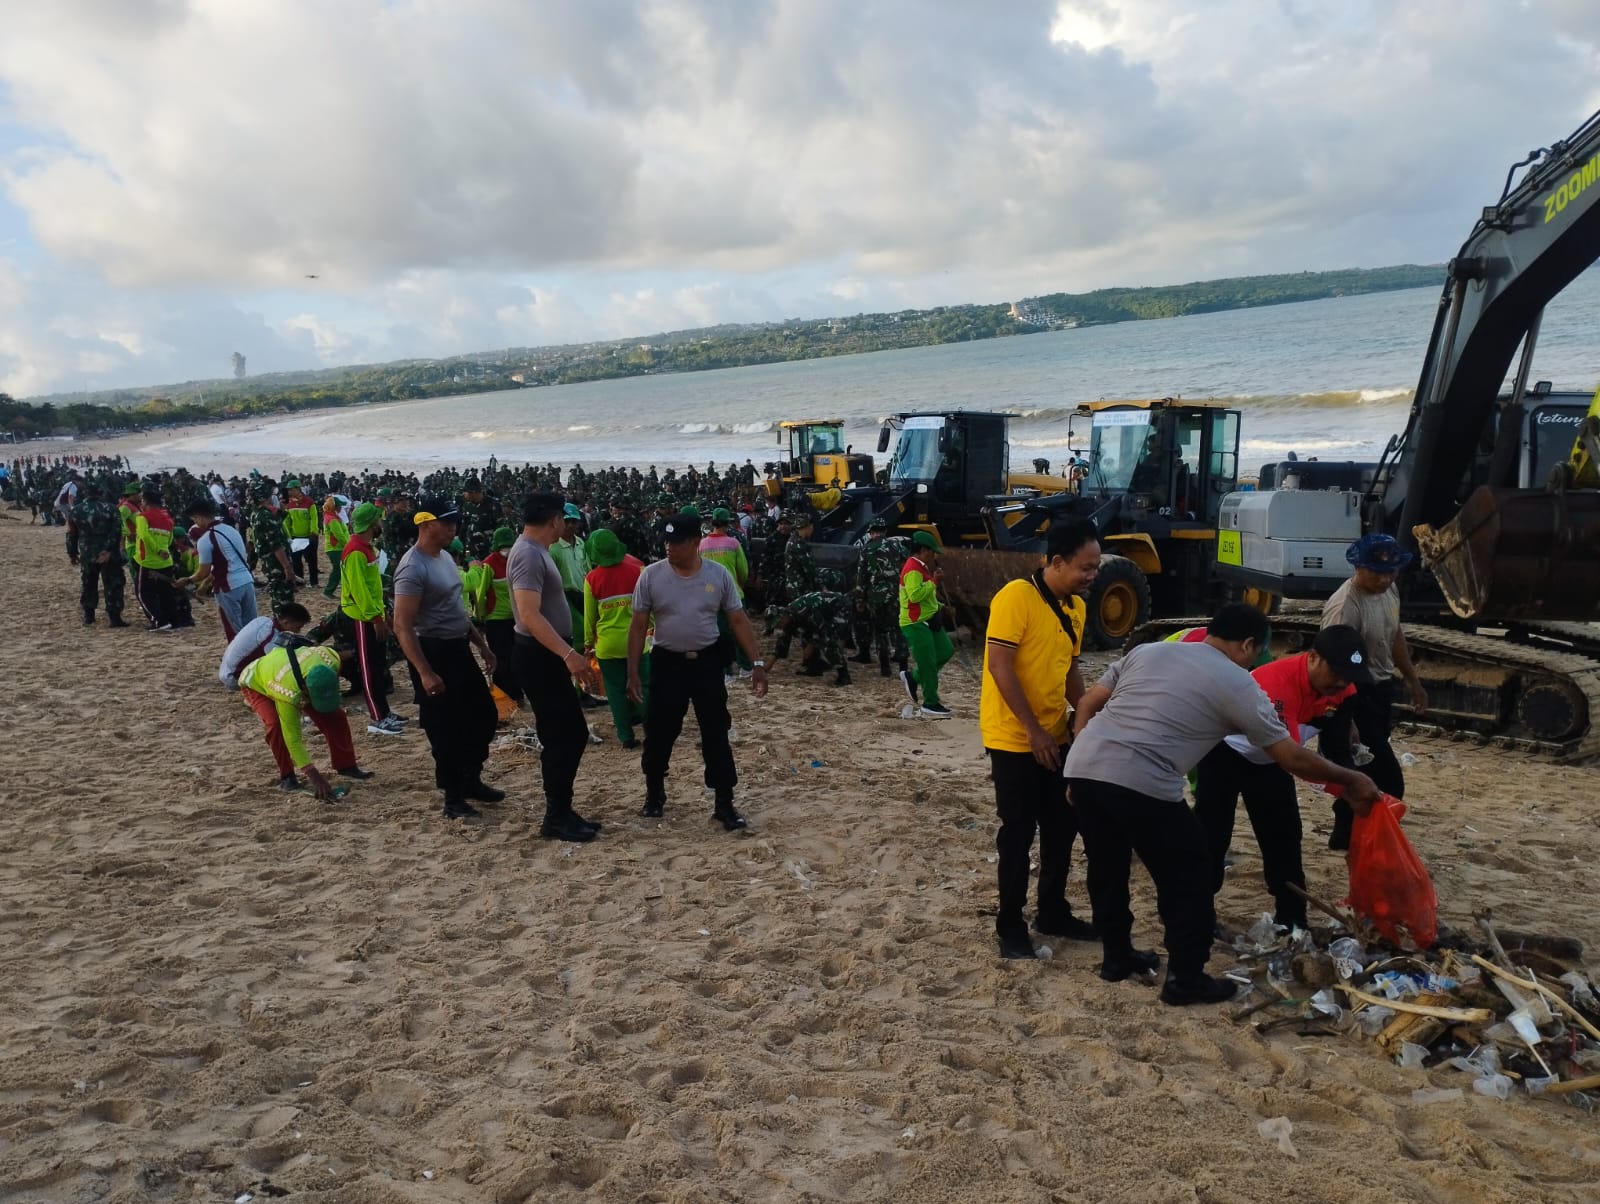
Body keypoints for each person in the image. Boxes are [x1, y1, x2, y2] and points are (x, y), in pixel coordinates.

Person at [1064, 603, 1381, 1006]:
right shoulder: (1237, 681)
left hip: (1086, 767)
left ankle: (1116, 958)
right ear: (1248, 644)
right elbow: (1288, 757)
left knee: (1106, 867)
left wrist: (1076, 767)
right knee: (1191, 871)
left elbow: (1089, 702)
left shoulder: (1149, 651)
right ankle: (1186, 978)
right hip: (1142, 779)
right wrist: (1351, 778)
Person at [1193, 626, 1368, 931]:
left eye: (1349, 676)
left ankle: (1291, 917)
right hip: (1227, 751)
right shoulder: (1277, 683)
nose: (1341, 682)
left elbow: (1336, 749)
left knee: (1284, 835)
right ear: (1312, 658)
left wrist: (1349, 788)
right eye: (1336, 671)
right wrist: (1347, 785)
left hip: (1274, 757)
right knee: (1213, 832)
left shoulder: (1345, 692)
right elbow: (1291, 758)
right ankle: (1197, 913)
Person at [981, 520, 1101, 960]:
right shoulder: (1016, 597)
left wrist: (1085, 709)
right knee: (1017, 831)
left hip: (1055, 733)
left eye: (1096, 569)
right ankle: (1010, 923)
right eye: (1085, 568)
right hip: (1013, 737)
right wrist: (1032, 731)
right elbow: (999, 666)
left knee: (1061, 826)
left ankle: (1052, 911)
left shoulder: (1076, 608)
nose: (1091, 576)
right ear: (1056, 562)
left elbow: (1069, 668)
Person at [627, 512, 768, 830]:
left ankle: (724, 803)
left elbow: (738, 620)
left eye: (676, 542)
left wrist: (757, 663)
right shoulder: (651, 576)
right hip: (666, 664)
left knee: (716, 733)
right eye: (666, 541)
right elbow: (637, 628)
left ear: (695, 543)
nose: (669, 548)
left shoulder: (717, 576)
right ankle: (654, 795)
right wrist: (633, 671)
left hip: (706, 664)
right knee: (659, 733)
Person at [392, 496, 502, 821]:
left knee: (484, 715)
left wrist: (482, 645)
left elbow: (455, 608)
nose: (453, 528)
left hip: (458, 647)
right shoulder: (412, 567)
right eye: (447, 522)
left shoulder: (444, 557)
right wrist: (424, 671)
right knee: (446, 729)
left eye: (455, 522)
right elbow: (402, 625)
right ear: (426, 524)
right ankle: (453, 799)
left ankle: (470, 779)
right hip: (432, 651)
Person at [1318, 533, 1428, 849]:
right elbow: (1333, 665)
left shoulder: (1389, 590)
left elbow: (1395, 636)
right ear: (1358, 568)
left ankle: (1348, 834)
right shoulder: (1345, 607)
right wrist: (1346, 713)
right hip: (1353, 692)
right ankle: (1365, 833)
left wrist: (1412, 680)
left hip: (1380, 686)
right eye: (1378, 572)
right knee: (1386, 775)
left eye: (1391, 572)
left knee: (1364, 764)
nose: (1386, 579)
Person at [510, 492, 603, 842]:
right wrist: (568, 654)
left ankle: (562, 810)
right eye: (562, 518)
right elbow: (530, 615)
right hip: (539, 656)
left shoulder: (537, 551)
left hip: (545, 654)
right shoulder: (528, 555)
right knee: (564, 736)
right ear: (554, 520)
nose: (564, 524)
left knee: (567, 734)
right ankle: (556, 816)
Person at [239, 641, 372, 798]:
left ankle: (347, 766)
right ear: (305, 690)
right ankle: (287, 777)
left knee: (336, 716)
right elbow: (293, 739)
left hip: (292, 675)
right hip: (256, 682)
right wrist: (314, 776)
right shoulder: (287, 692)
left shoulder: (330, 659)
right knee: (276, 726)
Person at [583, 527, 649, 748]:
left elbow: (589, 618)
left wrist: (587, 643)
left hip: (608, 645)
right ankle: (653, 730)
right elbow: (651, 607)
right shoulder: (638, 571)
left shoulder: (591, 579)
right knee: (644, 686)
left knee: (616, 691)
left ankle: (626, 737)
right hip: (638, 642)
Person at [340, 501, 401, 735]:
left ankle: (385, 712)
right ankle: (377, 718)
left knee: (377, 666)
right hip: (361, 617)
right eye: (378, 519)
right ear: (370, 523)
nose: (381, 522)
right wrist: (375, 618)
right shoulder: (355, 550)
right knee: (368, 668)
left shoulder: (366, 547)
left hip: (372, 614)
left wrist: (382, 613)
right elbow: (359, 590)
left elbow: (372, 586)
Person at [185, 497, 257, 642]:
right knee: (251, 627)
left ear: (199, 517)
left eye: (194, 520)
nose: (195, 523)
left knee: (234, 630)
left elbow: (203, 572)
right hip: (247, 582)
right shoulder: (231, 531)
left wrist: (187, 580)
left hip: (228, 587)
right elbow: (231, 561)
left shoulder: (206, 539)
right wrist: (205, 585)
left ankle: (239, 661)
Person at [899, 530, 954, 718]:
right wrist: (934, 582)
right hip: (916, 622)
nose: (934, 555)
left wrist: (940, 606)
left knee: (946, 651)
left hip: (927, 620)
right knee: (928, 662)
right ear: (923, 550)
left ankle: (913, 677)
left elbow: (923, 596)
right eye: (932, 551)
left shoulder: (920, 566)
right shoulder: (913, 568)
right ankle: (930, 703)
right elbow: (914, 596)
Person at [469, 526, 525, 705]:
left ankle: (514, 694)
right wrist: (480, 615)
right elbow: (481, 591)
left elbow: (480, 593)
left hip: (510, 619)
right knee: (503, 659)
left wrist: (479, 615)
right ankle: (509, 695)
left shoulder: (503, 561)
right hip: (502, 618)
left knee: (509, 658)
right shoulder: (491, 564)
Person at [69, 481, 129, 627]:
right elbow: (116, 532)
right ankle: (114, 618)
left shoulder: (76, 510)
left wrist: (72, 552)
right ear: (100, 493)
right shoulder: (111, 508)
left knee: (88, 583)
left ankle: (89, 616)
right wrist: (108, 550)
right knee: (113, 584)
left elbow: (71, 533)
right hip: (109, 554)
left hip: (87, 552)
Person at [220, 602, 311, 689]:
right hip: (233, 677)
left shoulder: (263, 620)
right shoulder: (271, 640)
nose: (298, 631)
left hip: (226, 669)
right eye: (298, 627)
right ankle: (252, 694)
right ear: (286, 622)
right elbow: (277, 665)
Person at [132, 487, 186, 631]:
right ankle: (173, 621)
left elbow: (144, 536)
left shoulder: (142, 517)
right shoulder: (168, 518)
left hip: (148, 561)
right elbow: (169, 539)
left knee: (143, 594)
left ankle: (159, 621)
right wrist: (163, 549)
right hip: (165, 561)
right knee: (165, 594)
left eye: (142, 500)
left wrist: (157, 550)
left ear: (146, 502)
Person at [549, 502, 591, 648]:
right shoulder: (553, 548)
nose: (570, 525)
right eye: (567, 521)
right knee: (577, 633)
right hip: (565, 596)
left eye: (574, 521)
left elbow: (588, 570)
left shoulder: (580, 543)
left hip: (583, 594)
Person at [281, 479, 320, 586]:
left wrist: (313, 532)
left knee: (312, 561)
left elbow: (314, 518)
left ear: (298, 489)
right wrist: (288, 535)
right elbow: (287, 521)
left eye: (291, 489)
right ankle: (300, 582)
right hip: (295, 537)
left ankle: (314, 582)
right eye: (288, 490)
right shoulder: (289, 504)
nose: (289, 492)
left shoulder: (309, 502)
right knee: (296, 561)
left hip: (309, 537)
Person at [322, 495, 349, 599]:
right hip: (335, 548)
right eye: (338, 506)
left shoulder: (333, 516)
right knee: (337, 570)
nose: (340, 508)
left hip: (338, 548)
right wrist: (349, 545)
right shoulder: (332, 519)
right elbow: (339, 536)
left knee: (340, 569)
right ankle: (328, 591)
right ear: (334, 506)